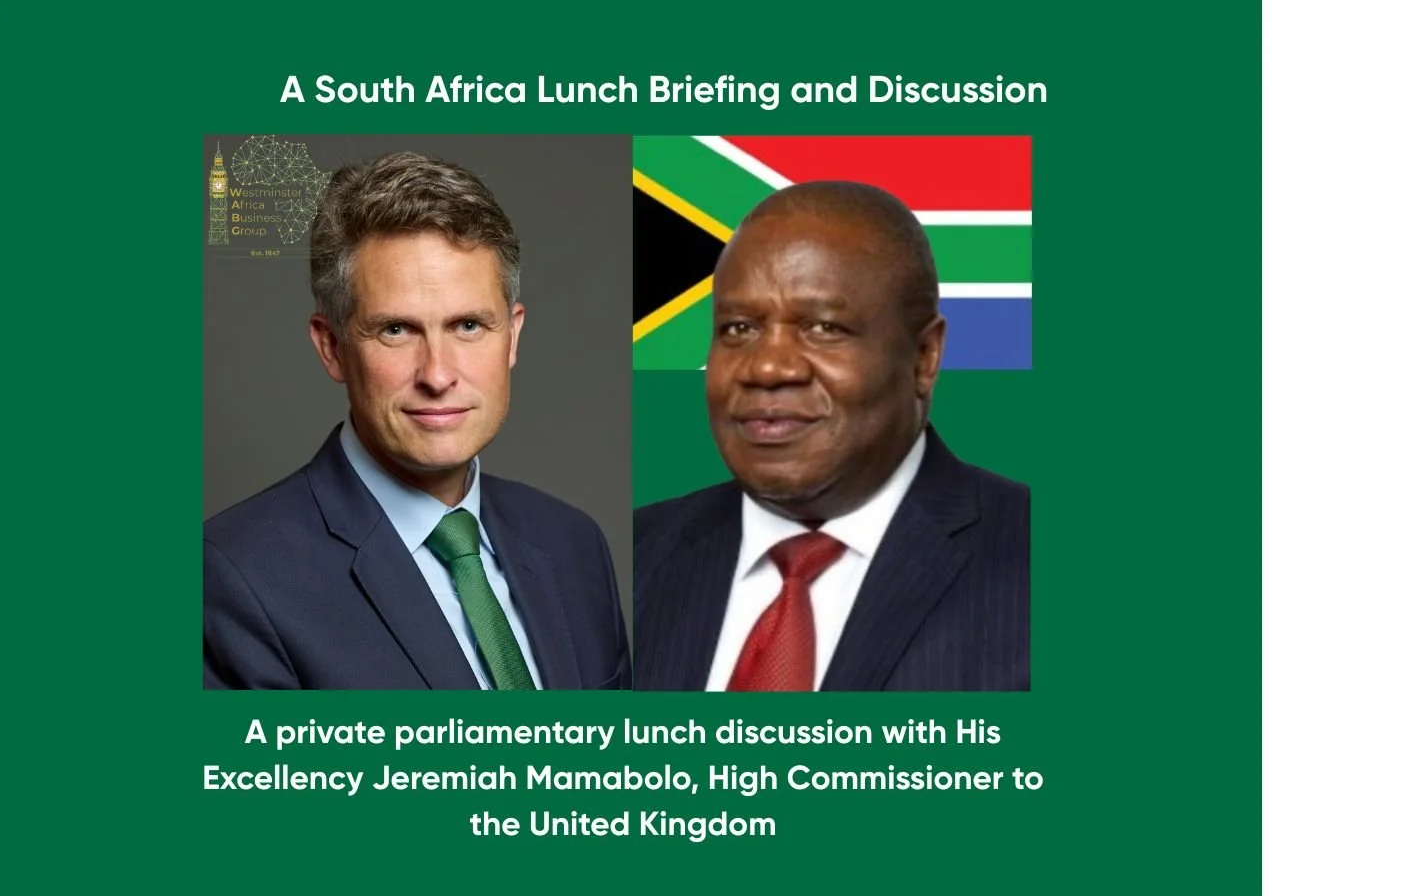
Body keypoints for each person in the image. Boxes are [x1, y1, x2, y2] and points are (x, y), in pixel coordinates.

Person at [204, 152, 630, 690]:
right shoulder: (236, 577)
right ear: (331, 347)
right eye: (396, 330)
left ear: (512, 336)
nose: (437, 374)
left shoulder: (574, 544)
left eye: (468, 325)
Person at [633, 181, 1029, 691]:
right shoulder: (630, 559)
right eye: (738, 328)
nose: (767, 367)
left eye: (823, 328)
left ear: (924, 357)